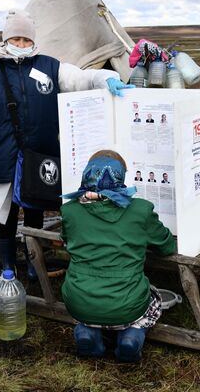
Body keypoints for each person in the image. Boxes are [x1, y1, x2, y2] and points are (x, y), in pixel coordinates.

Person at [0, 9, 134, 279]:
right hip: (1, 151)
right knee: (5, 213)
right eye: (15, 39)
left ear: (33, 40)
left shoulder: (49, 66)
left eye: (25, 40)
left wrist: (105, 78)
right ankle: (7, 264)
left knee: (35, 207)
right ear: (5, 39)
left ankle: (33, 265)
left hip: (39, 153)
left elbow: (82, 78)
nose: (20, 45)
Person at [61, 150, 176, 362]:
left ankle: (87, 333)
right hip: (127, 303)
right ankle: (131, 337)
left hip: (80, 299)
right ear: (120, 177)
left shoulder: (69, 211)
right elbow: (166, 246)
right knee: (153, 297)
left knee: (90, 308)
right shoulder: (140, 210)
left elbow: (66, 239)